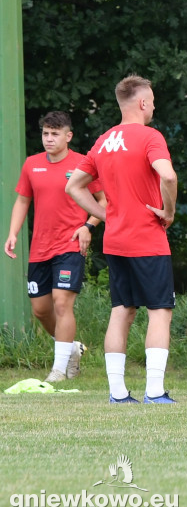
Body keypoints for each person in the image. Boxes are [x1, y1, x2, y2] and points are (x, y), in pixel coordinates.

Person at [66, 75, 178, 404]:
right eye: (152, 100)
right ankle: (155, 392)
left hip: (115, 240)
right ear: (142, 103)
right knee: (159, 311)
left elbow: (74, 186)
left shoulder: (104, 141)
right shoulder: (149, 136)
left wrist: (107, 216)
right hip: (147, 239)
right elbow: (168, 174)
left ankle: (118, 393)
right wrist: (167, 210)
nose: (154, 105)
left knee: (121, 310)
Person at [6, 111, 105, 383]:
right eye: (45, 134)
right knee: (41, 310)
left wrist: (88, 226)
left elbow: (104, 201)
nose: (49, 139)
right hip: (40, 248)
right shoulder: (32, 164)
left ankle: (59, 370)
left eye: (55, 134)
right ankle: (71, 347)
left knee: (62, 303)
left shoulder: (83, 164)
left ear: (68, 136)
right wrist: (13, 233)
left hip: (70, 245)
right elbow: (23, 201)